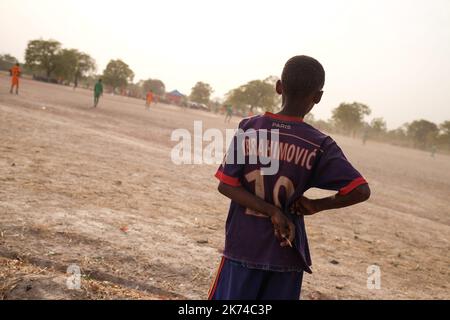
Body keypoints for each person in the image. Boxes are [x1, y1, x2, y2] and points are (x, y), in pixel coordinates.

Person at [209, 55, 371, 300]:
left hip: (243, 247)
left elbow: (227, 185)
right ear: (318, 97)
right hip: (287, 252)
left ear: (278, 86)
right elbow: (360, 190)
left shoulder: (250, 127)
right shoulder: (319, 144)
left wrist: (269, 210)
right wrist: (317, 205)